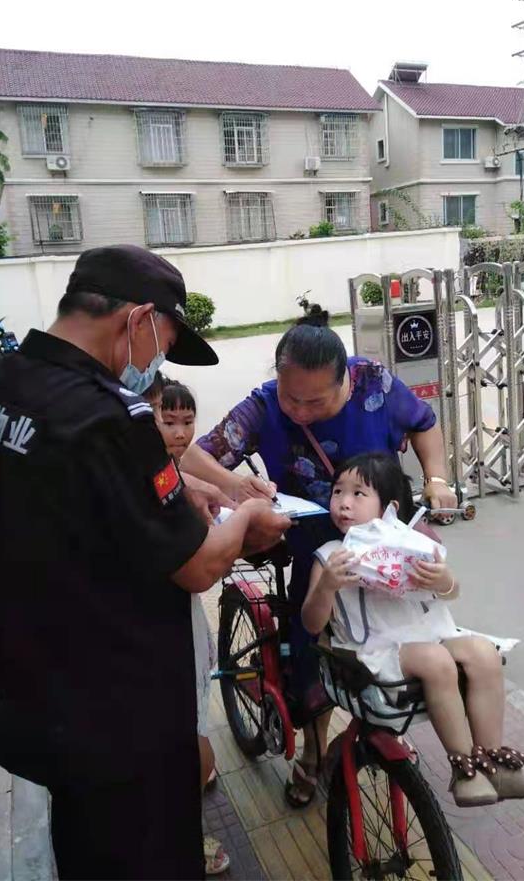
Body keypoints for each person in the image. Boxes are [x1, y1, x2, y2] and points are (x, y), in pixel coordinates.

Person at [0, 245, 290, 880]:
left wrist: (187, 489)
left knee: (85, 850)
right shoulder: (110, 414)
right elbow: (197, 566)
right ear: (136, 320)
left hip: (32, 692)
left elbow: (76, 499)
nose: (157, 364)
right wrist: (247, 517)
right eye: (163, 342)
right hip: (118, 714)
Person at [181, 304, 458, 807]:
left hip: (385, 549)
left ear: (344, 382)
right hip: (315, 552)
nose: (300, 411)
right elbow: (194, 454)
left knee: (401, 638)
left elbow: (424, 422)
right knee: (314, 651)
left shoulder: (374, 383)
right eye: (291, 397)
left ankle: (380, 729)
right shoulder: (265, 406)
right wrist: (234, 485)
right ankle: (312, 753)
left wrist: (437, 478)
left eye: (315, 401)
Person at [302, 453, 524, 807]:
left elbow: (450, 593)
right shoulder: (331, 556)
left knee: (483, 652)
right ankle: (464, 768)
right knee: (436, 660)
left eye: (358, 494)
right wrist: (328, 585)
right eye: (337, 492)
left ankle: (495, 761)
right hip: (372, 652)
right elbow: (312, 624)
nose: (344, 502)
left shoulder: (412, 544)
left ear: (389, 508)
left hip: (424, 637)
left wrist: (443, 580)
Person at [145, 376, 228, 875]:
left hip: (168, 612)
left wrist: (218, 488)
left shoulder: (162, 466)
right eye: (166, 419)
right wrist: (242, 523)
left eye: (186, 421)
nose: (178, 432)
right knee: (191, 733)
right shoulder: (148, 472)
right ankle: (186, 837)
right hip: (168, 612)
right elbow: (199, 571)